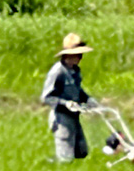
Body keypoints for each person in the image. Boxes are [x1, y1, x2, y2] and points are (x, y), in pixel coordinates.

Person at [41, 32, 99, 162]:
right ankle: (50, 166)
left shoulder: (75, 71)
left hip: (74, 116)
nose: (80, 58)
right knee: (66, 158)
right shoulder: (58, 71)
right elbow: (46, 97)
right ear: (69, 55)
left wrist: (88, 99)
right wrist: (65, 103)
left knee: (81, 152)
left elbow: (77, 90)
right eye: (78, 55)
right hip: (61, 118)